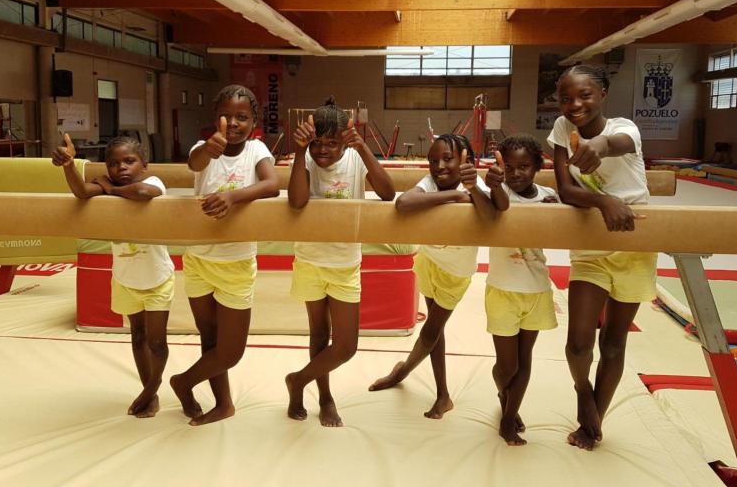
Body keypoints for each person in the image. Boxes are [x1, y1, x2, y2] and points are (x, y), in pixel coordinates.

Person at [547, 64, 655, 451]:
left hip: (633, 241)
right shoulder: (562, 129)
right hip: (592, 242)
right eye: (565, 98)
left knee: (613, 343)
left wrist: (600, 146)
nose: (574, 104)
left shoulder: (625, 128)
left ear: (603, 94)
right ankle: (583, 395)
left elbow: (617, 144)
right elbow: (564, 189)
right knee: (578, 344)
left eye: (584, 95)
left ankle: (594, 422)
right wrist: (602, 199)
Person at [369, 134, 501, 418]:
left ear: (466, 158)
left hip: (456, 271)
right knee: (435, 332)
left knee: (429, 332)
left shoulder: (475, 185)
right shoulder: (431, 183)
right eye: (433, 160)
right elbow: (403, 203)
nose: (439, 166)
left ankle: (402, 372)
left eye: (447, 159)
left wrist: (470, 188)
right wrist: (454, 196)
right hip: (429, 260)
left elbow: (491, 220)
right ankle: (443, 394)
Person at [170, 85, 280, 426]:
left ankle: (183, 381)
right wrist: (209, 148)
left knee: (230, 351)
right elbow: (195, 162)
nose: (233, 123)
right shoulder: (202, 149)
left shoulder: (257, 150)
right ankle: (224, 403)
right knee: (210, 340)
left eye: (242, 117)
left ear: (254, 121)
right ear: (214, 118)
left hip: (236, 261)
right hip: (200, 258)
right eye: (226, 116)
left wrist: (233, 198)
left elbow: (272, 184)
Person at [285, 97, 395, 427]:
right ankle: (325, 396)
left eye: (332, 143)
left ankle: (298, 380)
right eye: (317, 143)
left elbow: (388, 193)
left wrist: (362, 149)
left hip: (345, 263)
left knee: (345, 346)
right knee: (319, 333)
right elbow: (297, 201)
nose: (323, 150)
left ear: (344, 143)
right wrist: (300, 151)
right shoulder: (305, 159)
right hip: (310, 259)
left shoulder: (355, 161)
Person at [52, 134, 173, 419]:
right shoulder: (103, 186)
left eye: (129, 161)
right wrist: (69, 165)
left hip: (158, 278)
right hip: (125, 279)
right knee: (137, 336)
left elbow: (142, 194)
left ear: (144, 164)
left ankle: (150, 388)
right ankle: (151, 393)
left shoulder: (153, 183)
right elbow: (81, 192)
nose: (121, 168)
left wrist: (110, 189)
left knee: (157, 342)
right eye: (114, 164)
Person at [483, 134, 559, 446]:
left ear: (538, 167)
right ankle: (506, 399)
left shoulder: (549, 195)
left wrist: (558, 210)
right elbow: (498, 207)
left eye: (524, 166)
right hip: (502, 289)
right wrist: (495, 184)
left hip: (536, 289)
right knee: (507, 365)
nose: (516, 173)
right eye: (509, 167)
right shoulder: (498, 194)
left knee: (524, 360)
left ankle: (509, 415)